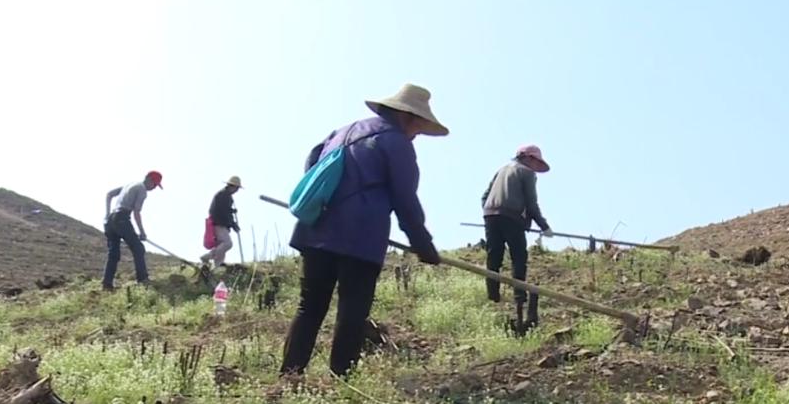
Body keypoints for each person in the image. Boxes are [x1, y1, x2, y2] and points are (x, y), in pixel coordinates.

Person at [281, 83, 446, 377]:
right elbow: (405, 200)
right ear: (407, 117)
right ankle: (343, 380)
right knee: (352, 312)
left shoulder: (342, 132)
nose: (417, 135)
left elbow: (312, 164)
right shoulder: (396, 142)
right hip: (360, 238)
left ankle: (290, 376)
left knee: (310, 307)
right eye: (418, 128)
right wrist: (424, 245)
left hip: (317, 230)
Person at [481, 145, 553, 329]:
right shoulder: (527, 173)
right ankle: (519, 295)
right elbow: (531, 203)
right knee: (519, 256)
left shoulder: (502, 169)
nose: (536, 166)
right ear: (529, 158)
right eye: (536, 162)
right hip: (511, 216)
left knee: (494, 254)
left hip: (490, 214)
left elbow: (484, 196)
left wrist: (491, 211)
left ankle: (493, 293)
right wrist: (543, 226)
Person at [103, 171, 163, 290]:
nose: (154, 188)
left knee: (113, 254)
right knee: (138, 248)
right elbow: (136, 212)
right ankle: (142, 279)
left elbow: (109, 194)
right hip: (122, 218)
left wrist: (107, 214)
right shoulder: (142, 190)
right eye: (155, 185)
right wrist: (142, 232)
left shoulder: (130, 184)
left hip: (111, 221)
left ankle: (107, 284)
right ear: (149, 180)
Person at [201, 176, 242, 267]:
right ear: (233, 186)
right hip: (219, 224)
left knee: (221, 245)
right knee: (227, 244)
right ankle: (208, 256)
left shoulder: (224, 195)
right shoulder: (224, 195)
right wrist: (232, 223)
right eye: (237, 188)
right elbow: (223, 212)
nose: (237, 190)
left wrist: (231, 213)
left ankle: (217, 266)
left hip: (219, 223)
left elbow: (225, 210)